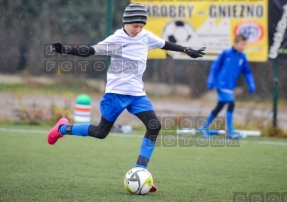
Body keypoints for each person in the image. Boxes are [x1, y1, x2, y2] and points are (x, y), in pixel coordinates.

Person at [48, 3, 205, 192]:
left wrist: (187, 50)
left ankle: (140, 171)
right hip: (115, 94)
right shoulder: (116, 39)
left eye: (141, 26)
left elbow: (165, 44)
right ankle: (63, 128)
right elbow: (90, 50)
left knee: (154, 125)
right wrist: (64, 49)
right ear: (126, 22)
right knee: (100, 132)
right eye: (135, 26)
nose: (138, 30)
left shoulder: (145, 36)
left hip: (137, 95)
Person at [198, 34, 255, 139]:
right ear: (236, 43)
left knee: (219, 107)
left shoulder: (242, 57)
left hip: (230, 87)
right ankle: (230, 132)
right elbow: (215, 67)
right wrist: (211, 80)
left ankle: (203, 127)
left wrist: (251, 83)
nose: (243, 47)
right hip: (222, 84)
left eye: (245, 45)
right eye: (242, 44)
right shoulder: (226, 53)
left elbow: (247, 72)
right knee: (231, 103)